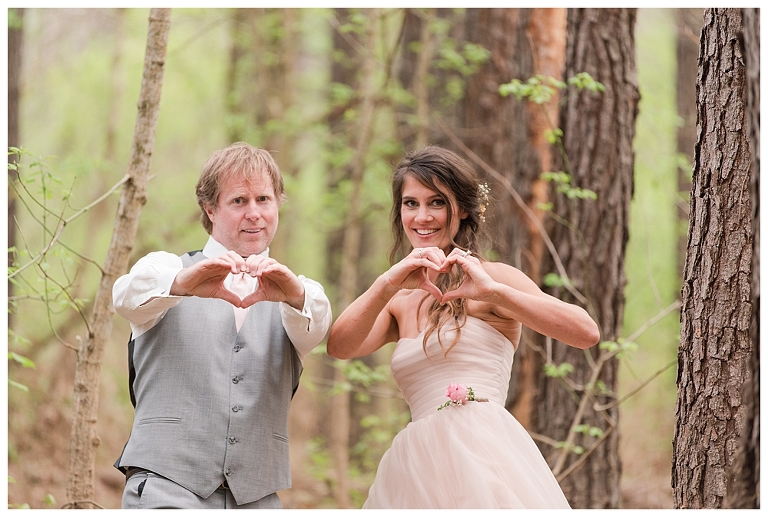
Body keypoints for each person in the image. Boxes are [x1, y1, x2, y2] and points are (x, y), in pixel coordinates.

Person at [326, 145, 601, 508]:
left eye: (436, 202)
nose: (422, 216)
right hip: (416, 466)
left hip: (484, 452)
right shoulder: (398, 300)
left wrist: (495, 293)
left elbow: (585, 332)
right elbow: (340, 347)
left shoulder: (495, 279)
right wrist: (386, 285)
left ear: (463, 209)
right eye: (411, 203)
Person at [112, 142, 332, 509]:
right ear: (210, 209)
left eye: (264, 199)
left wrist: (293, 293)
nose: (254, 213)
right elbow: (124, 297)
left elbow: (318, 323)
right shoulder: (166, 268)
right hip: (167, 487)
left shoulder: (299, 294)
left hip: (257, 498)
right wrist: (184, 283)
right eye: (238, 201)